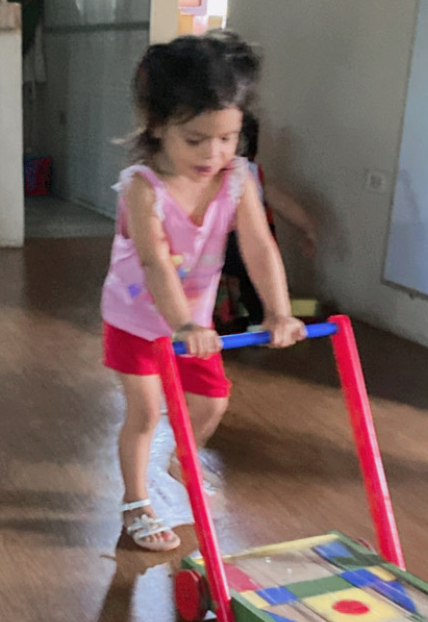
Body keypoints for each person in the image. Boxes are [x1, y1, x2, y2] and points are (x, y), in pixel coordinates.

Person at [101, 31, 305, 553]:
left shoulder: (237, 180)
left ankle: (181, 459)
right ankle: (136, 503)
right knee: (146, 413)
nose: (213, 153)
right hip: (137, 318)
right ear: (158, 126)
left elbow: (259, 246)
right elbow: (154, 263)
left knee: (212, 403)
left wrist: (279, 312)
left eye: (228, 138)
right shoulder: (143, 188)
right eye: (196, 140)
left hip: (194, 322)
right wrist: (184, 324)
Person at [217, 110, 317, 331]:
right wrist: (308, 228)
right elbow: (285, 204)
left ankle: (235, 312)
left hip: (225, 246)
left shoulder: (222, 174)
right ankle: (260, 318)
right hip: (245, 248)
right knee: (255, 281)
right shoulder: (253, 174)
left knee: (218, 276)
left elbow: (284, 203)